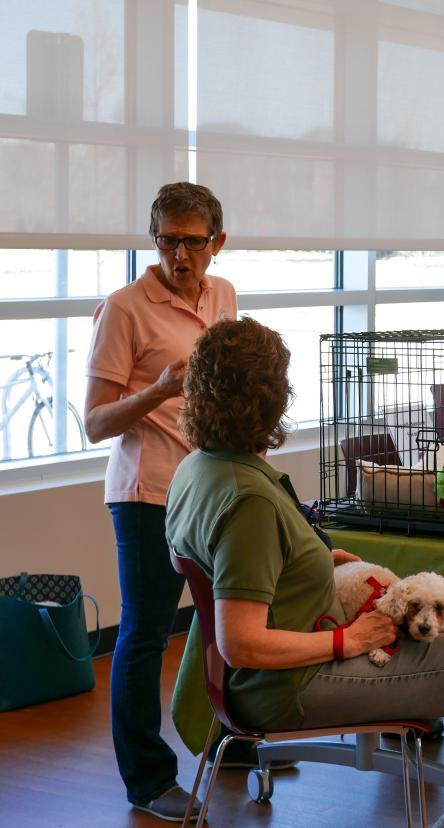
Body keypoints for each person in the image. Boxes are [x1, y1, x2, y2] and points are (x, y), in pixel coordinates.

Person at [165, 318, 444, 828]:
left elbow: (240, 567)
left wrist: (310, 563)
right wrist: (350, 641)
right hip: (290, 685)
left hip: (269, 674)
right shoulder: (248, 497)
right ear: (272, 397)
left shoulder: (196, 468)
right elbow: (241, 643)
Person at [84, 182, 238, 820]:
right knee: (146, 634)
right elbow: (95, 422)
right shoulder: (124, 308)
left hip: (215, 483)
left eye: (193, 242)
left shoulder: (223, 295)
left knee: (233, 620)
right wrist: (159, 389)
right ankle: (147, 780)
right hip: (148, 493)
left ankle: (240, 741)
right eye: (168, 240)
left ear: (216, 244)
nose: (181, 254)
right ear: (154, 241)